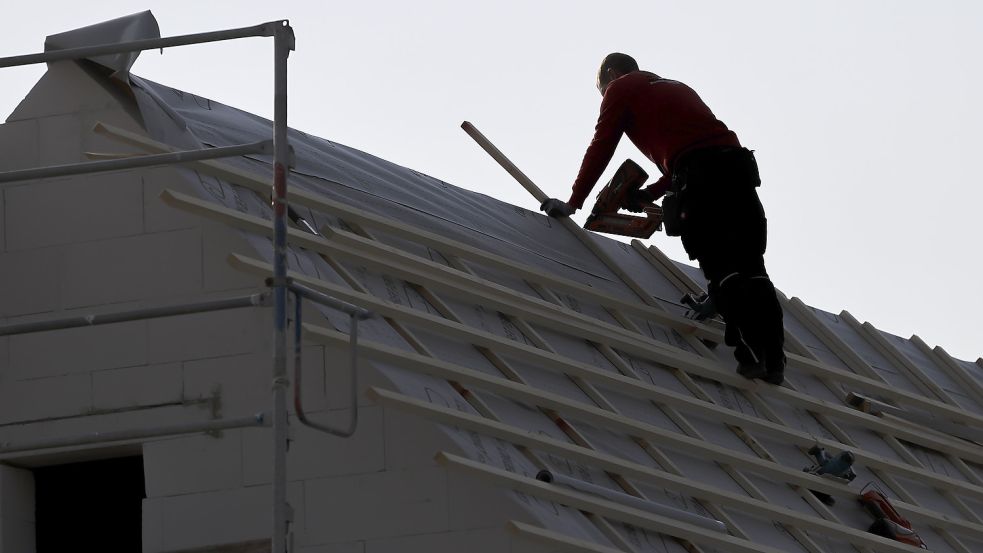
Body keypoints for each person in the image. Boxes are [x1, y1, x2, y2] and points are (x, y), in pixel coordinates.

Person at [541, 52, 786, 384]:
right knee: (752, 267)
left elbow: (603, 143)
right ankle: (774, 362)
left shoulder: (621, 88)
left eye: (602, 91)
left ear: (612, 74)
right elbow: (690, 151)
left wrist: (574, 201)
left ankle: (751, 356)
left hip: (701, 176)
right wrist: (649, 194)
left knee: (721, 267)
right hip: (736, 169)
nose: (605, 98)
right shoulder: (674, 87)